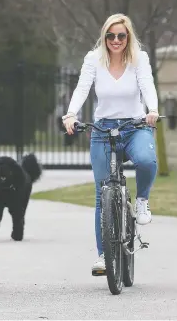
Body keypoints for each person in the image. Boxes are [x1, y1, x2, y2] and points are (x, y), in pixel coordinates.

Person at [62, 14, 159, 273]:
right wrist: (71, 114)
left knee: (146, 161)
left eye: (121, 36)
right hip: (103, 128)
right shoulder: (93, 59)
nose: (116, 40)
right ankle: (104, 256)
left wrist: (153, 109)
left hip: (135, 125)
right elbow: (82, 88)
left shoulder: (140, 58)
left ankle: (141, 200)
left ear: (128, 38)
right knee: (102, 193)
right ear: (104, 37)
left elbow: (147, 85)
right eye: (111, 36)